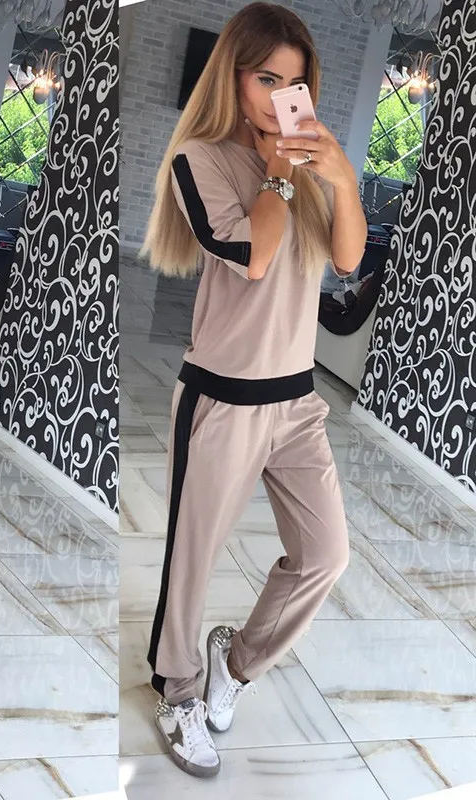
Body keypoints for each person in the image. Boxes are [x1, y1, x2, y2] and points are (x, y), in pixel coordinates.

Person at [140, 1, 366, 779]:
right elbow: (254, 254)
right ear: (234, 79)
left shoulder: (308, 166)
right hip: (223, 397)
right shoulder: (199, 161)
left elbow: (347, 259)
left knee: (326, 554)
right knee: (192, 560)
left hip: (296, 400)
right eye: (267, 79)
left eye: (294, 84)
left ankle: (233, 666)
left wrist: (341, 178)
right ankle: (177, 691)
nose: (281, 97)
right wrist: (280, 172)